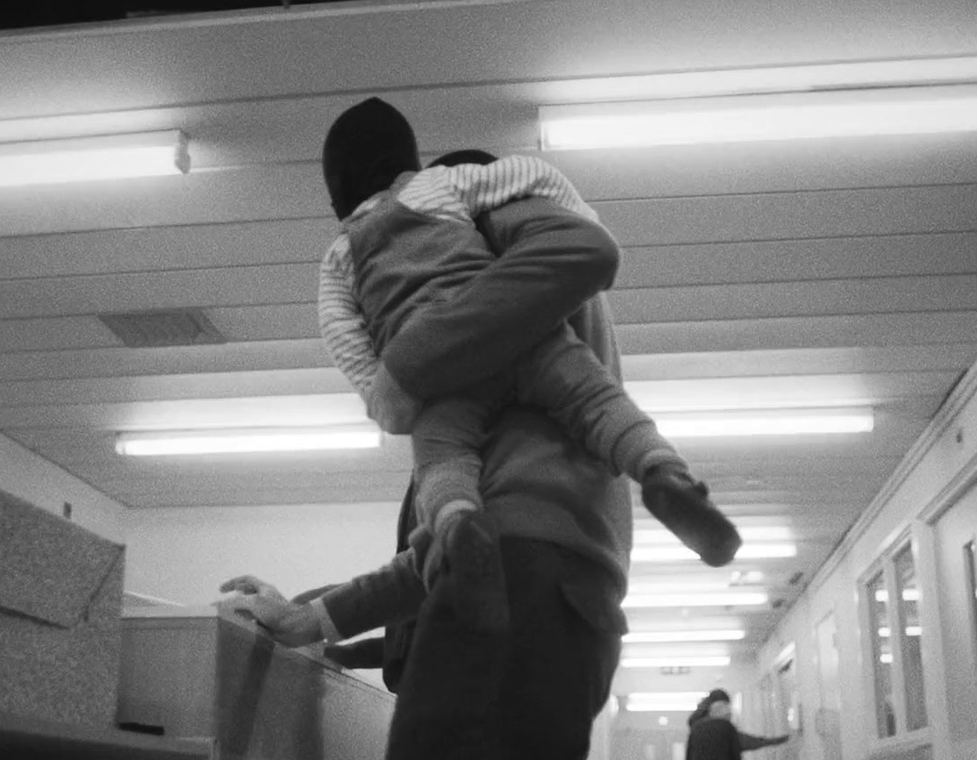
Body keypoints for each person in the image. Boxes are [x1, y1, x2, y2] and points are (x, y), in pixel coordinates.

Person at [221, 96, 646, 760]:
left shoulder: (495, 232)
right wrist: (320, 620)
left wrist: (403, 372)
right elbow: (457, 551)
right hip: (568, 614)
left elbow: (581, 252)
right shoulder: (546, 426)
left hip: (509, 613)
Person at [315, 97, 741, 579]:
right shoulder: (451, 192)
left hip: (471, 438)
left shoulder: (342, 257)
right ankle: (664, 472)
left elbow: (342, 336)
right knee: (598, 401)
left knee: (443, 461)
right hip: (532, 367)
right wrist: (580, 211)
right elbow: (532, 176)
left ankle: (458, 528)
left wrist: (386, 384)